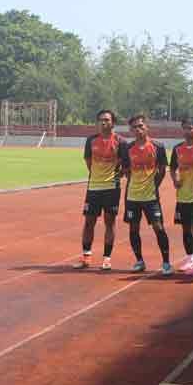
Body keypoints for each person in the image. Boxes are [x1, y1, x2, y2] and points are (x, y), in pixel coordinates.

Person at [74, 110, 128, 271]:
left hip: (112, 188)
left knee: (109, 223)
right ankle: (86, 257)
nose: (103, 123)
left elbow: (124, 166)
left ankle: (107, 259)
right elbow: (89, 161)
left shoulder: (120, 141)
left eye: (106, 120)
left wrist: (113, 176)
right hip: (93, 188)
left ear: (113, 122)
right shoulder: (91, 140)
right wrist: (97, 176)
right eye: (100, 120)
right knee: (89, 222)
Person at [121, 114, 171, 275]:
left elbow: (162, 170)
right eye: (135, 127)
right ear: (131, 130)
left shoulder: (158, 146)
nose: (138, 129)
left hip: (151, 197)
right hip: (132, 196)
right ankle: (139, 261)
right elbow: (126, 171)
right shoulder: (127, 148)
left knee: (159, 227)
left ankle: (166, 263)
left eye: (141, 126)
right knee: (133, 228)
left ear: (147, 127)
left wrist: (154, 185)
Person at [171, 118, 193, 275]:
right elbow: (172, 168)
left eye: (190, 128)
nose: (187, 131)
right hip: (182, 196)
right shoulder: (177, 148)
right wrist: (175, 179)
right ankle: (190, 258)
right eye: (184, 128)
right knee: (185, 229)